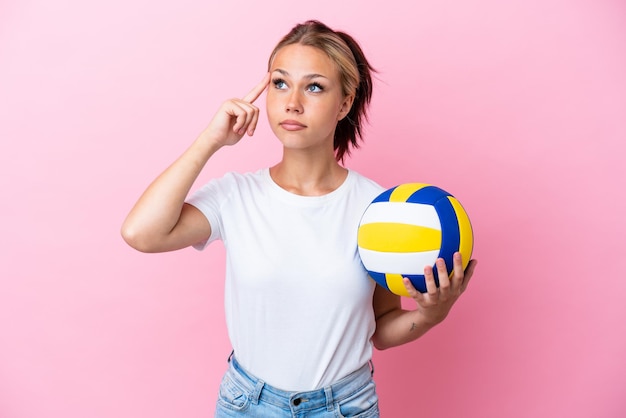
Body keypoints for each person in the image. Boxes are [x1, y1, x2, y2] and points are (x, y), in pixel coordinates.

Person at [121, 20, 477, 417]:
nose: (292, 102)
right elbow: (141, 233)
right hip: (246, 404)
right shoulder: (237, 195)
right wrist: (211, 140)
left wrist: (430, 314)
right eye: (279, 83)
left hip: (344, 406)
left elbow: (382, 329)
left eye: (314, 86)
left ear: (344, 103)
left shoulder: (380, 210)